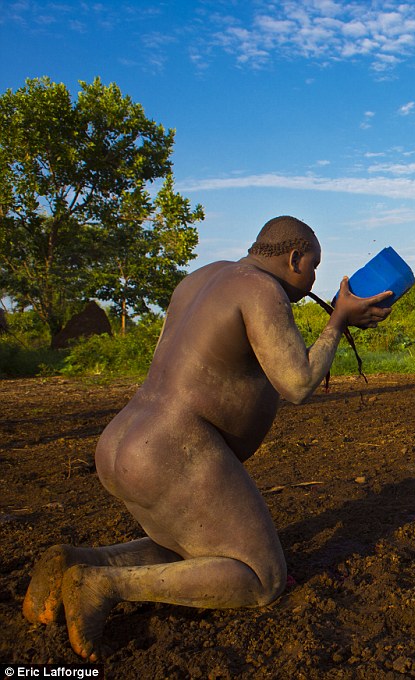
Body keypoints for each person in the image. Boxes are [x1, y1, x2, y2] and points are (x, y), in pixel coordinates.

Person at [22, 216, 392, 661]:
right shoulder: (261, 289)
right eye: (313, 266)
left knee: (186, 546)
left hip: (124, 439)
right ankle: (107, 585)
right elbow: (297, 383)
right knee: (262, 578)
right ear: (294, 258)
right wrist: (336, 324)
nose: (313, 278)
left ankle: (76, 561)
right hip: (174, 449)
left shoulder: (200, 278)